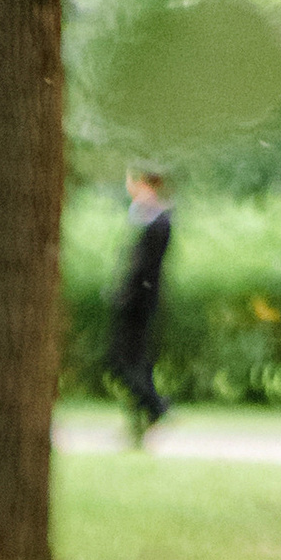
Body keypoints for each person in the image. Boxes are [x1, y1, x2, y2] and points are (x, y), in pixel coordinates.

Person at [109, 168, 173, 437]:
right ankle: (148, 408)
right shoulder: (148, 218)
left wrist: (125, 294)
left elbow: (143, 266)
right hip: (137, 299)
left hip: (139, 301)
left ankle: (153, 406)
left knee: (126, 358)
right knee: (128, 359)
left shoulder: (156, 221)